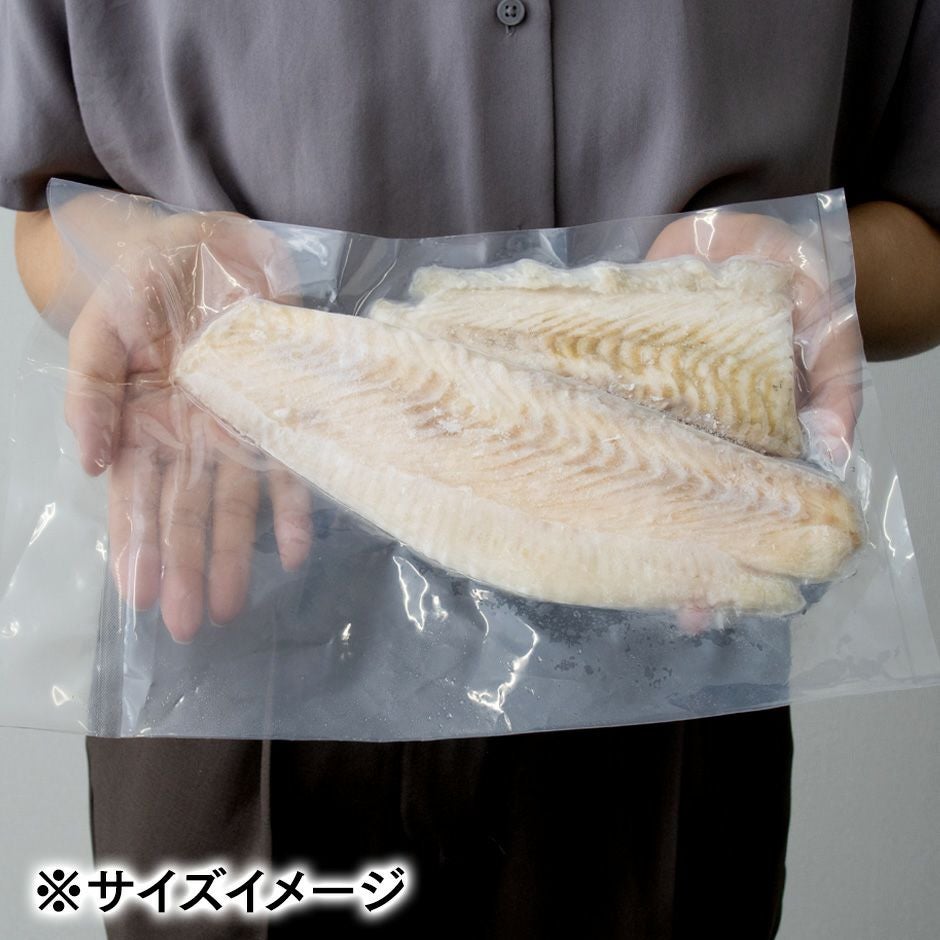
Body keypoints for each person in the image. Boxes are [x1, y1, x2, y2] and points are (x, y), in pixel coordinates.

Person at [3, 2, 938, 937]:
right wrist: (146, 270)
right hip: (235, 618)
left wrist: (780, 290)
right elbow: (48, 210)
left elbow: (925, 229)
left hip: (671, 652)